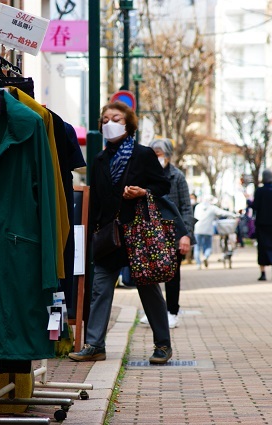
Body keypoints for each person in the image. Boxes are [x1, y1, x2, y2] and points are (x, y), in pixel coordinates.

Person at [68, 101, 173, 364]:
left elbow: (162, 186)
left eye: (115, 118)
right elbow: (94, 201)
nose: (109, 123)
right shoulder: (99, 159)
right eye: (105, 120)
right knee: (100, 289)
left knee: (149, 289)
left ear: (128, 124)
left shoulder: (143, 154)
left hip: (138, 234)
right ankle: (94, 344)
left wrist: (143, 192)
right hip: (107, 234)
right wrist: (90, 232)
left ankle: (162, 344)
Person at [136, 138, 193, 329]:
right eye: (153, 153)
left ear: (167, 155)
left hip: (172, 231)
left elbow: (186, 207)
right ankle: (155, 311)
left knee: (172, 274)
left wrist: (186, 234)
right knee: (150, 272)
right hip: (150, 230)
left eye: (159, 154)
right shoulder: (146, 176)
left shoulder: (177, 177)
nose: (156, 157)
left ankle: (172, 311)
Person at [252, 169, 272, 281]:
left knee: (262, 247)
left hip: (262, 224)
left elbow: (255, 206)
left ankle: (263, 273)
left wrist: (249, 203)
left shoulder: (259, 191)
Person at [193, 197, 236, 269]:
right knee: (208, 246)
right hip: (208, 230)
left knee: (197, 247)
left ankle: (198, 264)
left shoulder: (198, 207)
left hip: (197, 229)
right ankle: (206, 257)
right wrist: (233, 215)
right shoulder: (212, 208)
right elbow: (223, 212)